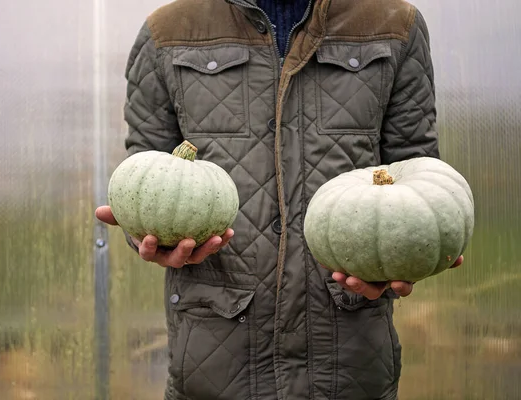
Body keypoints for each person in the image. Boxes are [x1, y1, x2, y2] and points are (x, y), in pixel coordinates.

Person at [95, 0, 464, 398]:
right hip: (214, 358)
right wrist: (150, 238)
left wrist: (404, 260)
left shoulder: (394, 24)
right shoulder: (168, 32)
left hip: (350, 358)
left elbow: (418, 173)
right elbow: (145, 175)